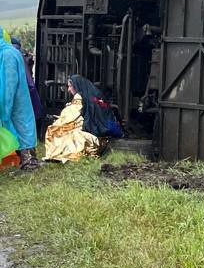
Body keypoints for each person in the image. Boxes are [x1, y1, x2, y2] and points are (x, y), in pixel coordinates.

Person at [44, 75, 119, 163]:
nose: (68, 90)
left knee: (54, 130)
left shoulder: (79, 98)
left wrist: (58, 120)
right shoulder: (92, 95)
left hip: (89, 133)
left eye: (70, 86)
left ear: (76, 86)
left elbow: (69, 118)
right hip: (101, 135)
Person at [0, 26, 39, 171]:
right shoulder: (7, 52)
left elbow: (9, 84)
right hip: (16, 100)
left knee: (22, 129)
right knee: (22, 127)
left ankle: (29, 163)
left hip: (15, 101)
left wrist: (4, 106)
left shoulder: (7, 54)